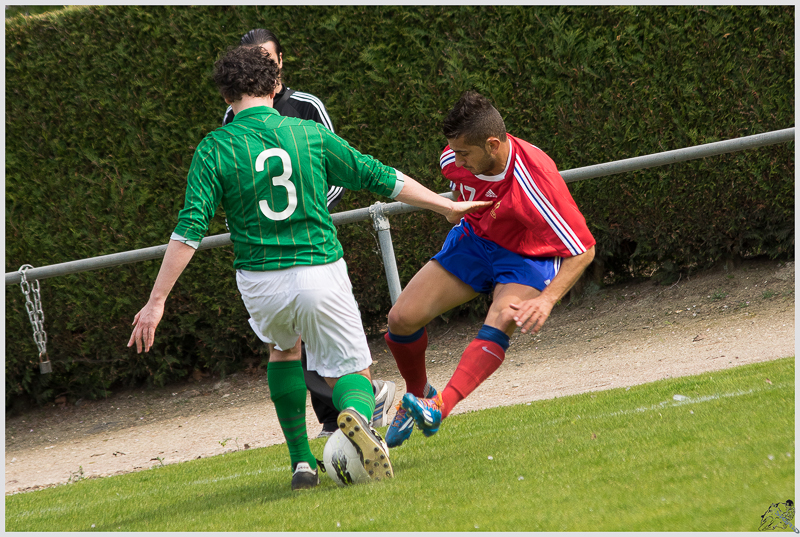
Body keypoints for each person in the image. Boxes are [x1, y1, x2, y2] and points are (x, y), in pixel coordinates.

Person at [127, 46, 489, 490]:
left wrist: (156, 301)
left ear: (225, 96)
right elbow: (379, 176)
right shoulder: (307, 133)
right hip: (318, 268)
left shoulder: (213, 148)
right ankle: (357, 412)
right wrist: (442, 205)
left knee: (283, 351)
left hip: (260, 281)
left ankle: (301, 462)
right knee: (354, 374)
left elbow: (189, 230)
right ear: (275, 86)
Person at [383, 91, 596, 447]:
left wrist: (546, 300)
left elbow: (584, 249)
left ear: (492, 145)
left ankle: (439, 407)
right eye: (454, 150)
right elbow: (460, 188)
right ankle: (418, 393)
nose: (456, 159)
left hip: (528, 255)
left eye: (465, 153)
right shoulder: (453, 158)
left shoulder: (536, 180)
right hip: (476, 239)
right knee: (401, 319)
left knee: (501, 316)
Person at [223, 28, 396, 439]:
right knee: (291, 340)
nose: (260, 66)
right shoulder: (232, 118)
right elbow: (235, 181)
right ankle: (338, 416)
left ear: (280, 61)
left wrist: (309, 209)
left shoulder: (306, 106)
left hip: (313, 238)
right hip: (268, 251)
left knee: (323, 332)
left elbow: (338, 165)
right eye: (252, 59)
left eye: (267, 58)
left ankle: (357, 406)